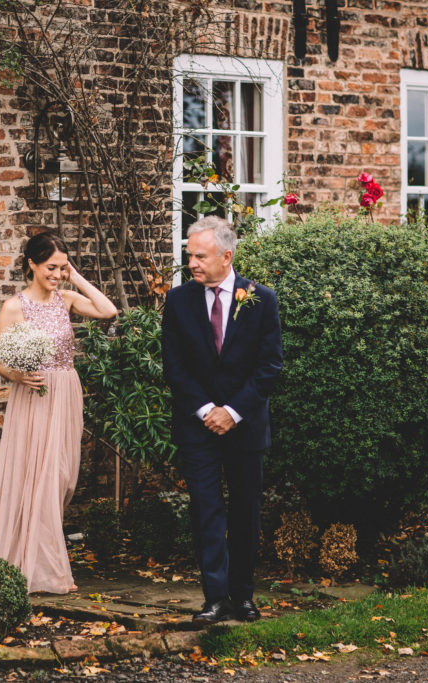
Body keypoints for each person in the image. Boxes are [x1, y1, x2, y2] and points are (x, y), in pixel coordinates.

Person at [0, 232, 117, 593]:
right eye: (51, 267)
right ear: (31, 263)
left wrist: (75, 276)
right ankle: (42, 567)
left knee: (63, 477)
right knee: (38, 479)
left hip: (66, 393)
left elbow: (108, 311)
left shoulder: (68, 299)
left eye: (62, 267)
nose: (57, 274)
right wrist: (19, 375)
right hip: (34, 396)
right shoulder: (15, 307)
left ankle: (43, 555)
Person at [161, 216, 283, 624]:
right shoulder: (178, 301)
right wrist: (204, 411)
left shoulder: (262, 299)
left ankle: (243, 596)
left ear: (226, 256)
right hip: (197, 426)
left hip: (244, 425)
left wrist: (231, 412)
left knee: (246, 510)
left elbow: (270, 366)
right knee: (205, 508)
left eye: (200, 256)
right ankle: (214, 598)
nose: (192, 263)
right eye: (189, 255)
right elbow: (174, 366)